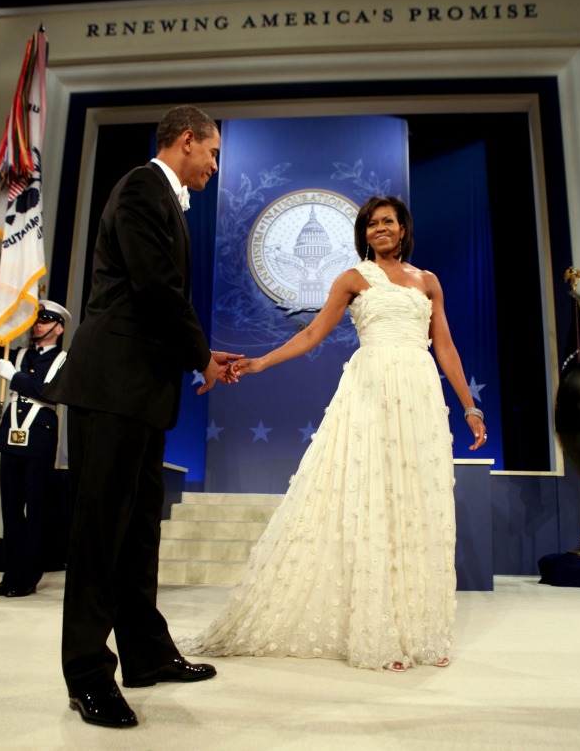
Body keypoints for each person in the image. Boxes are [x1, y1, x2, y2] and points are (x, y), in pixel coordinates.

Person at [175, 195, 487, 673]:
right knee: (376, 501)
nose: (381, 228)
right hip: (370, 393)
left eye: (389, 221)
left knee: (416, 503)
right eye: (372, 224)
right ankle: (379, 632)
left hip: (420, 398)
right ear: (364, 234)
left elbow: (444, 345)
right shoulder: (352, 279)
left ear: (402, 228)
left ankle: (420, 631)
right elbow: (310, 335)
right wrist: (258, 363)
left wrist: (469, 407)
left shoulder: (429, 282)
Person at [43, 105, 243, 728]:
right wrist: (203, 357)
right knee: (100, 534)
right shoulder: (140, 187)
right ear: (187, 141)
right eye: (212, 153)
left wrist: (198, 356)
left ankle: (146, 653)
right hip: (113, 386)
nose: (214, 166)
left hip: (141, 392)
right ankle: (86, 675)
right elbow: (156, 287)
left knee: (137, 533)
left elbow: (160, 292)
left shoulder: (162, 196)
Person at [0, 300, 69, 598]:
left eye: (45, 321)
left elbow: (49, 392)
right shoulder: (17, 355)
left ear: (58, 328)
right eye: (36, 320)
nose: (38, 325)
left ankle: (28, 575)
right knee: (10, 509)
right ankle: (11, 573)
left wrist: (14, 377)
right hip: (10, 437)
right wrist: (6, 312)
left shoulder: (63, 360)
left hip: (39, 440)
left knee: (35, 511)